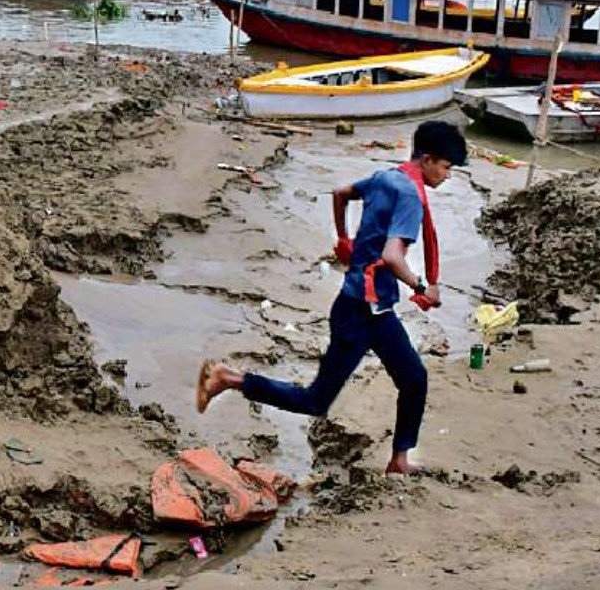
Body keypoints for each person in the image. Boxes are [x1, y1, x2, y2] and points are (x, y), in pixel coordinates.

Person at [197, 121, 469, 476]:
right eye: (447, 167)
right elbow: (392, 256)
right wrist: (423, 289)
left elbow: (340, 193)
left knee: (414, 378)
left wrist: (344, 239)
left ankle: (400, 459)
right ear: (429, 159)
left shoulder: (386, 177)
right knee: (315, 400)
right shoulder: (409, 197)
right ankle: (227, 378)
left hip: (376, 309)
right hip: (359, 312)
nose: (447, 176)